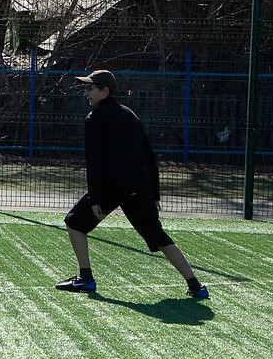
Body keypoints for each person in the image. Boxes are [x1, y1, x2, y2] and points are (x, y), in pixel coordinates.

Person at [55, 70, 210, 298]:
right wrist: (154, 192)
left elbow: (95, 161)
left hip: (112, 188)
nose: (86, 92)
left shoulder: (94, 118)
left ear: (105, 90)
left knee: (73, 222)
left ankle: (86, 278)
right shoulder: (130, 114)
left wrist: (96, 198)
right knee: (157, 236)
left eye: (90, 88)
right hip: (138, 187)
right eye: (85, 88)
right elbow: (149, 155)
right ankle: (196, 286)